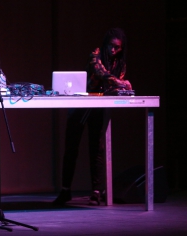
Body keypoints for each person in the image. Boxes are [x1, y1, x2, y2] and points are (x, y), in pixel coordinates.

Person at [53, 28, 132, 206]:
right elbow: (101, 74)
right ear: (106, 44)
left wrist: (121, 87)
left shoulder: (120, 63)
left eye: (118, 47)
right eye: (111, 46)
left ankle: (96, 191)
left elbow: (112, 85)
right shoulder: (95, 55)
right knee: (71, 147)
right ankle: (65, 190)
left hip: (97, 106)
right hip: (80, 106)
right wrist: (120, 83)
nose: (114, 50)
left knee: (96, 148)